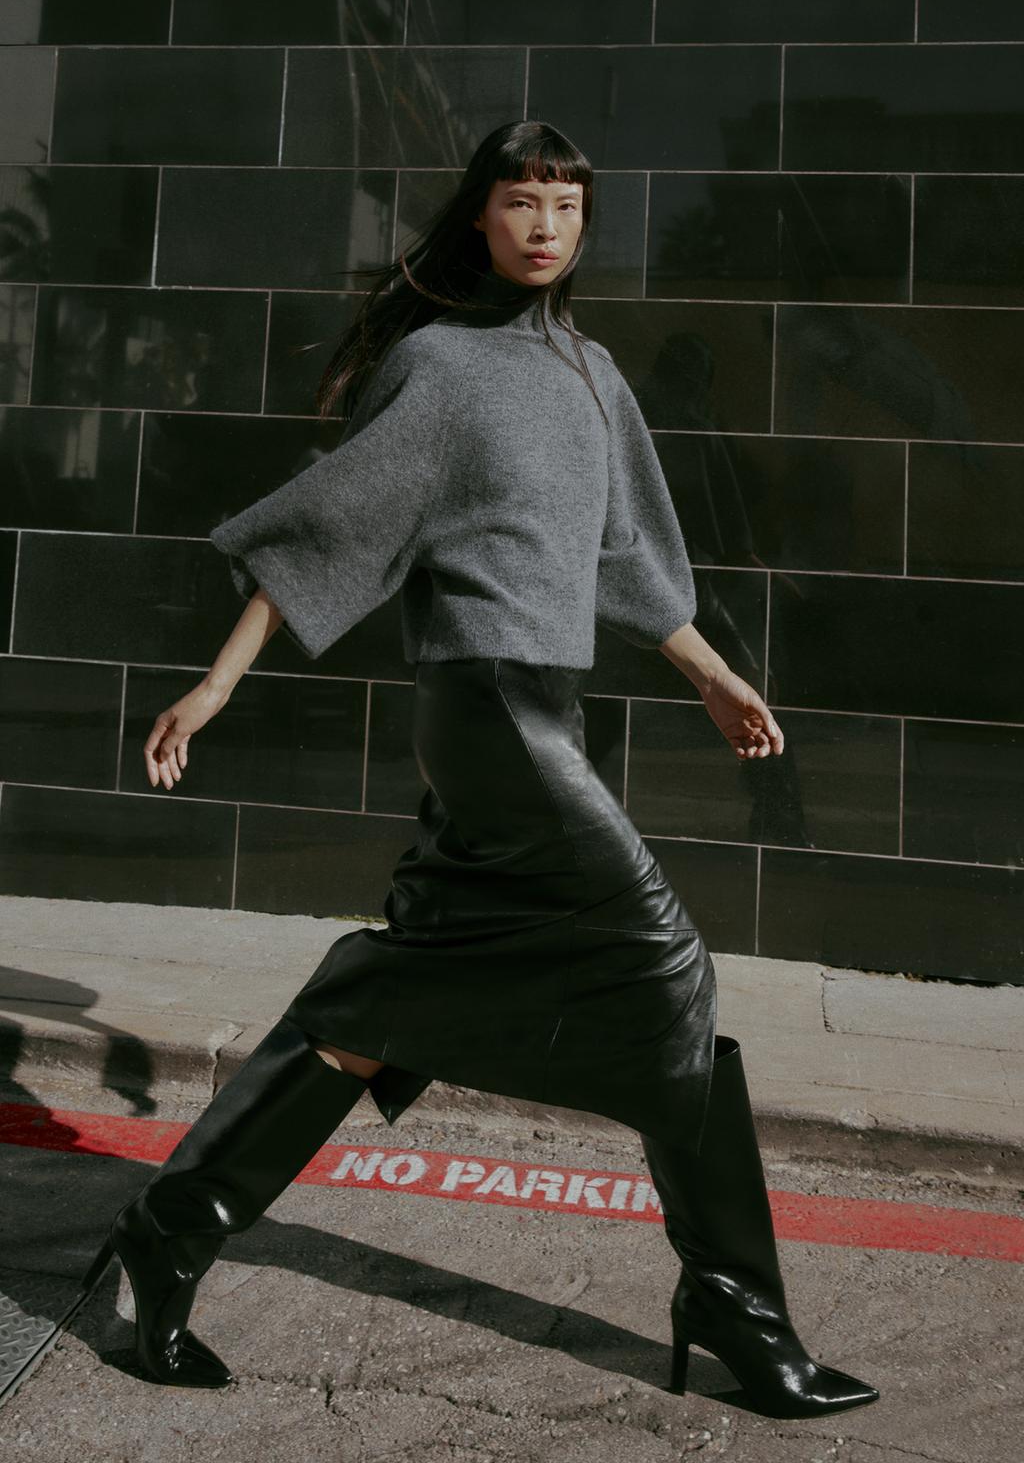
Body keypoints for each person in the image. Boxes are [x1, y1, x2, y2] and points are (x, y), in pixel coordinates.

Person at [79, 121, 879, 1421]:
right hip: (486, 712)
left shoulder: (590, 369)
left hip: (543, 709)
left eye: (568, 202)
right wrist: (217, 682)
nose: (547, 222)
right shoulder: (438, 367)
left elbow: (622, 555)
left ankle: (175, 1227)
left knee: (379, 1011)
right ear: (481, 219)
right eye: (522, 200)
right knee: (669, 963)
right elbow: (336, 524)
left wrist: (711, 674)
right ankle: (735, 1304)